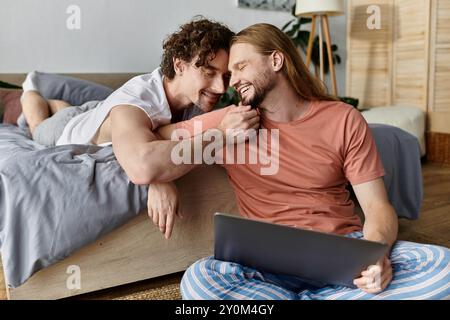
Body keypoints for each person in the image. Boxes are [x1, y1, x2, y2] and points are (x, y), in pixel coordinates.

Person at [151, 23, 450, 299]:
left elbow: (377, 207)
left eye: (241, 67)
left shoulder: (343, 119)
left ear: (276, 61)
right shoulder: (229, 123)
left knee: (442, 265)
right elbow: (157, 135)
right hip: (265, 265)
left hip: (344, 254)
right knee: (198, 280)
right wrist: (158, 177)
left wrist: (375, 255)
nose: (233, 82)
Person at [20, 18, 260, 239]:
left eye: (226, 76)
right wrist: (220, 136)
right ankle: (32, 89)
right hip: (68, 127)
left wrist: (162, 175)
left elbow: (158, 138)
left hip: (100, 113)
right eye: (209, 73)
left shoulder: (196, 99)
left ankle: (62, 105)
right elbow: (142, 166)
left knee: (78, 108)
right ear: (179, 64)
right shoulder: (136, 102)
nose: (220, 87)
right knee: (39, 125)